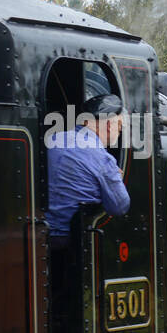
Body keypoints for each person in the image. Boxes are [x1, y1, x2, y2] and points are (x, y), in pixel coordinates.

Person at [46, 93, 131, 236]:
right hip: (70, 239)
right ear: (110, 125)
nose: (120, 132)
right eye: (120, 126)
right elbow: (120, 207)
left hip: (41, 234)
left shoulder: (53, 140)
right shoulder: (103, 159)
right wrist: (115, 178)